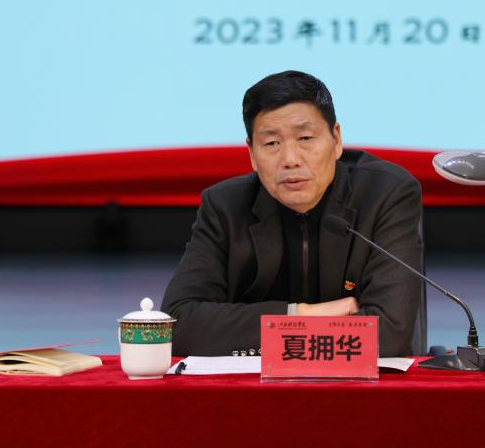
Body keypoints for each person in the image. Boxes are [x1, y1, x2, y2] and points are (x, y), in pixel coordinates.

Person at [161, 70, 423, 357]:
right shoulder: (225, 206)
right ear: (252, 154)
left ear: (336, 139)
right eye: (271, 143)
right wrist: (299, 314)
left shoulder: (384, 193)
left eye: (305, 138)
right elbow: (176, 323)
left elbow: (388, 333)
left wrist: (263, 328)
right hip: (254, 384)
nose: (290, 160)